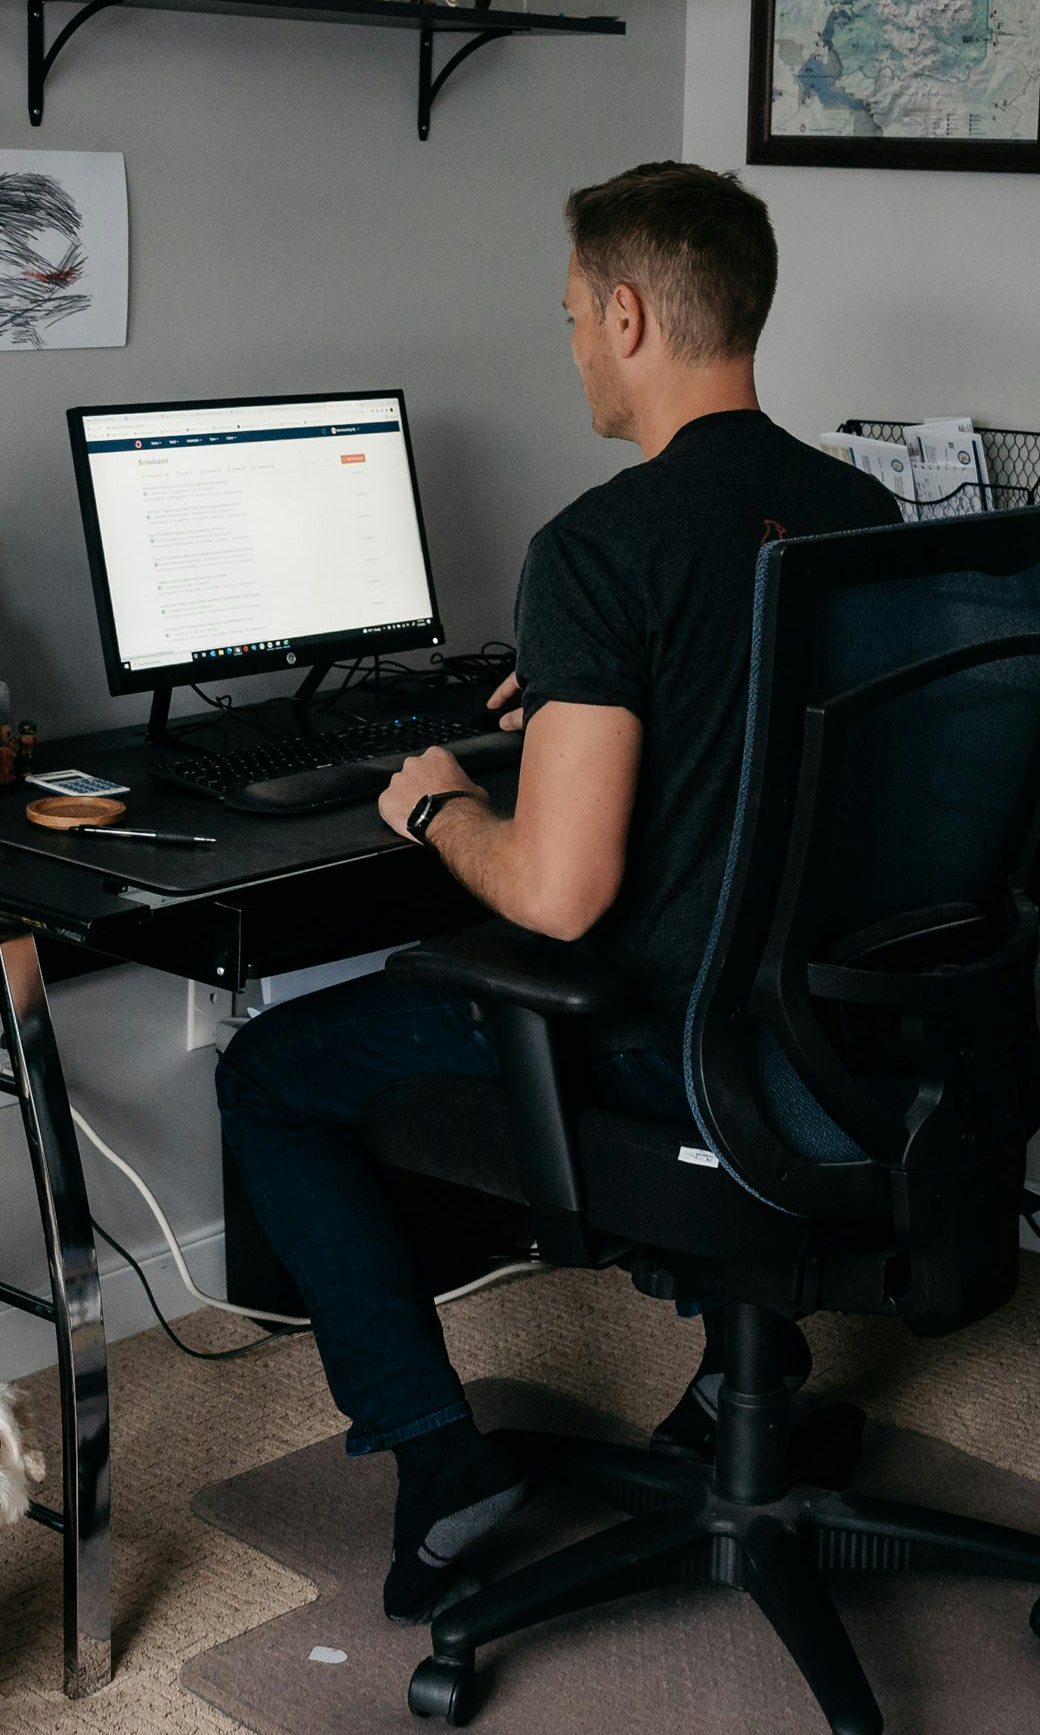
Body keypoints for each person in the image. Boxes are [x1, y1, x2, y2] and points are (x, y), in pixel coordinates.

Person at [214, 162, 898, 1620]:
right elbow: (764, 749)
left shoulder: (599, 547)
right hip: (843, 1035)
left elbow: (560, 893)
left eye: (577, 314)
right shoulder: (862, 511)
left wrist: (444, 802)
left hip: (667, 1047)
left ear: (633, 313)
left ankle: (435, 1452)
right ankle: (734, 1377)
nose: (575, 342)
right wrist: (585, 711)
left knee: (272, 1071)